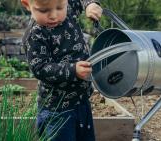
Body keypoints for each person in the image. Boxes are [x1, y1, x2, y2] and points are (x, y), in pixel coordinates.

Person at [21, 0, 102, 140]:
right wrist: (73, 70)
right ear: (27, 4)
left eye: (60, 7)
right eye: (44, 10)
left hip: (82, 102)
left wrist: (91, 4)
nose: (53, 15)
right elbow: (39, 67)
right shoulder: (35, 34)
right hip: (57, 110)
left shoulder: (69, 10)